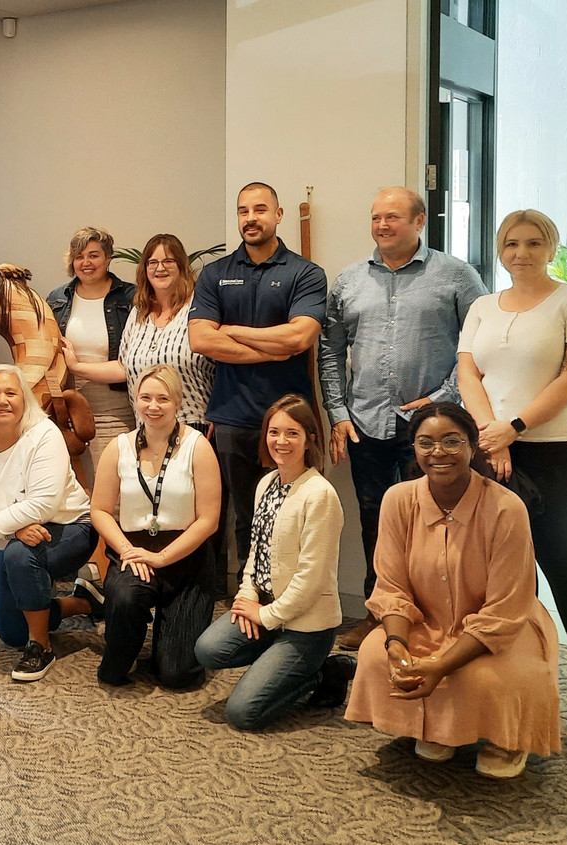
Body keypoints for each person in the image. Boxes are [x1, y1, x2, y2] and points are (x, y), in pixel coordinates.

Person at [344, 402, 562, 779]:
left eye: (451, 441)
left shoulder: (506, 508)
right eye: (425, 443)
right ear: (413, 449)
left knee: (483, 676)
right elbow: (391, 586)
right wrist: (396, 644)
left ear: (473, 446)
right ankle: (441, 727)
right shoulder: (398, 500)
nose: (438, 452)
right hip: (429, 621)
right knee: (376, 655)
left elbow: (505, 609)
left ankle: (508, 740)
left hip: (506, 626)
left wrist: (439, 666)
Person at [457, 209, 567, 741]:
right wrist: (488, 431)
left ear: (551, 246)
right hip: (487, 448)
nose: (521, 253)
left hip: (555, 450)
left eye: (532, 242)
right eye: (511, 244)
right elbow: (467, 370)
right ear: (500, 250)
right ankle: (503, 680)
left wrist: (515, 428)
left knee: (564, 564)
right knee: (492, 572)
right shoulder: (482, 306)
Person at [320, 187, 488, 651]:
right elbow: (330, 353)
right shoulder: (349, 280)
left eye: (393, 217)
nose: (382, 225)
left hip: (434, 430)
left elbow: (481, 344)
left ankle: (442, 621)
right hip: (366, 424)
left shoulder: (456, 276)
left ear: (419, 222)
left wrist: (442, 397)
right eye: (376, 217)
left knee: (440, 524)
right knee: (376, 524)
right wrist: (337, 413)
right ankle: (382, 618)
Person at [189, 182, 327, 594]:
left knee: (290, 515)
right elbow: (201, 340)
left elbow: (300, 339)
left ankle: (287, 597)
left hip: (290, 418)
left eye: (260, 209)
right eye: (243, 210)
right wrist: (273, 346)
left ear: (279, 214)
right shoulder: (216, 273)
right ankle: (245, 598)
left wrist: (231, 330)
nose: (251, 218)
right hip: (233, 416)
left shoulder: (304, 273)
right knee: (244, 516)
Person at [193, 394, 348, 730]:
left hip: (306, 624)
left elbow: (312, 579)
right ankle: (279, 662)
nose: (281, 441)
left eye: (292, 433)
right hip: (264, 606)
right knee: (208, 650)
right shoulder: (266, 483)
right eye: (274, 432)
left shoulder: (319, 495)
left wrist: (266, 617)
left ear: (310, 439)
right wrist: (247, 593)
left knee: (243, 714)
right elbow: (256, 551)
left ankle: (320, 672)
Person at [0, 364, 100, 682]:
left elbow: (44, 504)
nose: (2, 400)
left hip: (72, 524)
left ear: (25, 399)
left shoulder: (44, 434)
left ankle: (41, 647)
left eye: (11, 392)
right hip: (19, 531)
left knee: (21, 556)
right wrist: (14, 526)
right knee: (11, 631)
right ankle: (84, 602)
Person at [90, 366, 221, 687]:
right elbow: (100, 510)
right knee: (113, 670)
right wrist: (126, 551)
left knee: (179, 676)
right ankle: (128, 641)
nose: (153, 406)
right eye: (145, 397)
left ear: (178, 402)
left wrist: (162, 559)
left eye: (163, 398)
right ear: (135, 400)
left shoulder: (198, 446)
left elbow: (209, 520)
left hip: (187, 561)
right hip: (133, 553)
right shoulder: (118, 447)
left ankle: (169, 634)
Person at [61, 233, 215, 429]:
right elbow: (122, 367)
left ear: (181, 266)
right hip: (146, 428)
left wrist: (220, 414)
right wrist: (75, 366)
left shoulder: (199, 307)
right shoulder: (139, 313)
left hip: (193, 425)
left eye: (168, 261)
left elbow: (224, 366)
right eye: (152, 262)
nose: (160, 268)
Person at [50, 226, 137, 486]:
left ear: (108, 258)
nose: (85, 263)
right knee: (71, 485)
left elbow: (131, 363)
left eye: (93, 255)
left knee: (111, 482)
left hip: (114, 405)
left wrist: (77, 365)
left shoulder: (130, 297)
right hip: (65, 404)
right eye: (79, 256)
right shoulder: (57, 298)